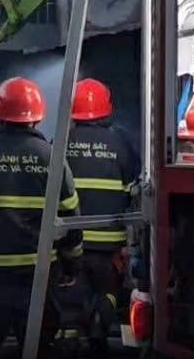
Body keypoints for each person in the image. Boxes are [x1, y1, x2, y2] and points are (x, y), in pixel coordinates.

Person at [0, 77, 83, 359]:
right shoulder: (50, 155)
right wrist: (72, 263)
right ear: (37, 115)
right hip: (39, 274)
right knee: (39, 347)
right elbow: (70, 214)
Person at [62, 78, 138, 356]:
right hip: (109, 240)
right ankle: (99, 325)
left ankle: (68, 336)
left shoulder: (61, 141)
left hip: (70, 237)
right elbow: (133, 189)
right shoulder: (119, 142)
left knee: (72, 288)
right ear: (107, 110)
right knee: (108, 287)